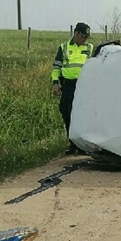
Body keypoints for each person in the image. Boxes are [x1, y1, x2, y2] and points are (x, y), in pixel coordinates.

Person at [51, 22, 94, 154]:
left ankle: (83, 145)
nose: (84, 39)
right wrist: (55, 82)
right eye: (82, 36)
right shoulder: (64, 47)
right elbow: (56, 67)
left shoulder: (90, 48)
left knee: (83, 114)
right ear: (75, 33)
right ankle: (73, 143)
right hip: (68, 85)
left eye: (87, 37)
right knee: (66, 110)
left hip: (84, 85)